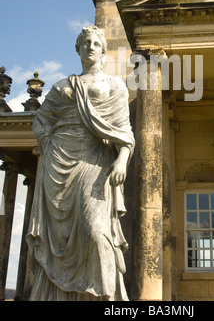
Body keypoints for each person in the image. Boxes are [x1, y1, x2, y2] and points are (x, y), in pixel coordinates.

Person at [26, 26, 135, 301]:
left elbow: (124, 130)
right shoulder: (63, 86)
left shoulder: (115, 85)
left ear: (103, 49)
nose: (89, 47)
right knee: (58, 237)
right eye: (84, 43)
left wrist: (122, 159)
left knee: (97, 232)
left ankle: (106, 297)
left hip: (95, 161)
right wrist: (48, 144)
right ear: (77, 49)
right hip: (59, 163)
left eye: (95, 43)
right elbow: (41, 120)